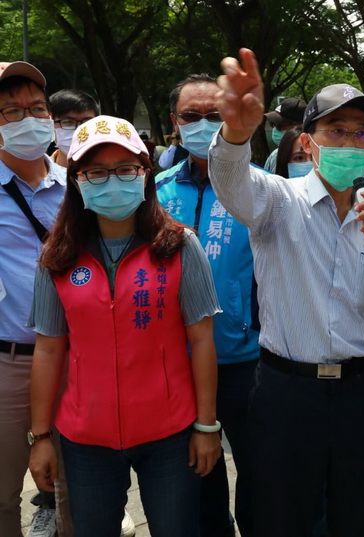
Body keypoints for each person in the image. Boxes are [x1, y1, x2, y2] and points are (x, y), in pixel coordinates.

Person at [208, 48, 364, 536]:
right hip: (286, 390)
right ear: (309, 141)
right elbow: (232, 181)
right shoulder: (278, 200)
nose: (350, 141)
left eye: (361, 132)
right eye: (336, 130)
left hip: (358, 392)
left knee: (357, 514)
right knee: (281, 515)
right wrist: (237, 133)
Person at [27, 115, 221, 537]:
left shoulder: (180, 245)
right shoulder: (57, 257)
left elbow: (202, 340)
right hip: (85, 437)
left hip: (170, 432)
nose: (112, 181)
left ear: (145, 174)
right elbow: (48, 348)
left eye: (125, 169)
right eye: (96, 171)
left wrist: (208, 426)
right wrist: (40, 436)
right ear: (76, 180)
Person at [156, 73, 258, 537]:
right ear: (175, 123)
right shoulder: (153, 191)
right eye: (191, 116)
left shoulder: (262, 188)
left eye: (213, 115)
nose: (202, 124)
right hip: (177, 365)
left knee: (261, 481)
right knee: (200, 482)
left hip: (247, 360)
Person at [0, 60, 70, 537]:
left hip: (75, 360)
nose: (28, 118)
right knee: (1, 493)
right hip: (9, 363)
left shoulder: (80, 187)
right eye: (9, 111)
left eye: (36, 107)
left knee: (78, 489)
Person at [49, 89, 99, 168]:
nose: (79, 130)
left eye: (87, 122)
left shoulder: (115, 171)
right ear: (50, 125)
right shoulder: (37, 175)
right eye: (68, 122)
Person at [263, 97, 306, 173]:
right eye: (273, 124)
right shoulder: (275, 155)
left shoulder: (315, 156)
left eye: (279, 125)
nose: (275, 129)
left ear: (300, 126)